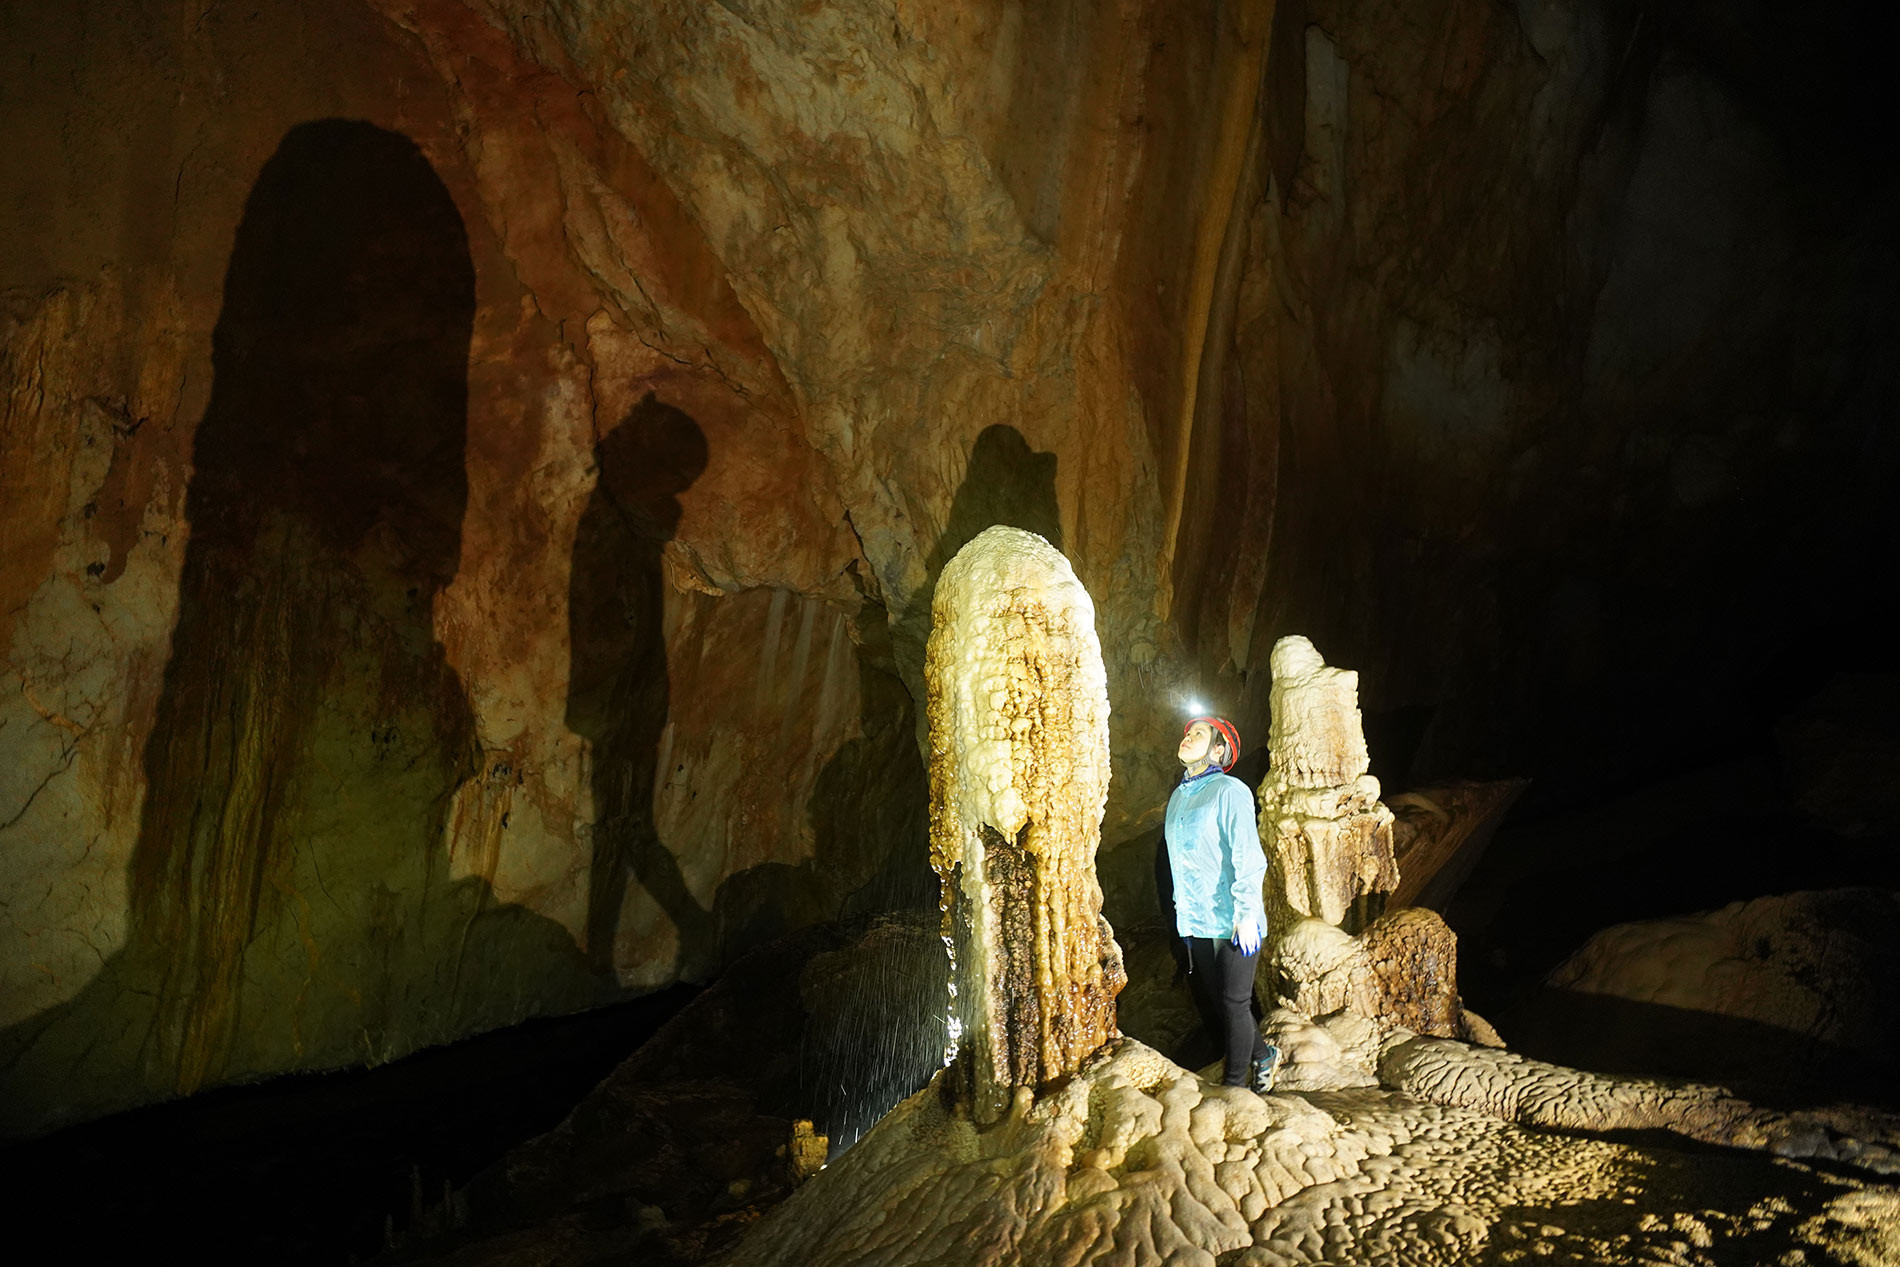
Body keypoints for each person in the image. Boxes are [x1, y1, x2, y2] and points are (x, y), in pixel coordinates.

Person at [1164, 715, 1279, 1093]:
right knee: (1223, 1002)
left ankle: (1234, 1089)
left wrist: (1246, 914)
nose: (1187, 737)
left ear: (1218, 751)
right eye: (1187, 732)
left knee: (1234, 1002)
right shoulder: (1179, 798)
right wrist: (1183, 917)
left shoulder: (1229, 791)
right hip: (1198, 921)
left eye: (1198, 734)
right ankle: (1264, 1055)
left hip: (1233, 919)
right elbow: (1181, 863)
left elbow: (1247, 856)